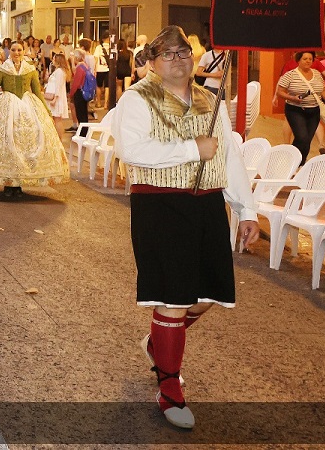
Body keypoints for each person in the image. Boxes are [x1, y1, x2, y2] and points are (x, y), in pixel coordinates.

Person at [109, 26, 260, 430]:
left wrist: (247, 210)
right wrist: (192, 148)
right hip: (159, 205)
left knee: (209, 295)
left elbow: (228, 156)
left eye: (184, 54)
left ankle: (159, 343)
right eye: (169, 54)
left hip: (208, 203)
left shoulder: (210, 100)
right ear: (153, 61)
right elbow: (131, 150)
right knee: (172, 297)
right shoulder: (137, 98)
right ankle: (169, 386)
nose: (179, 60)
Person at [0, 41, 70, 196]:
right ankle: (8, 183)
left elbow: (37, 92)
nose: (17, 53)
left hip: (27, 108)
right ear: (9, 51)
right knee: (7, 144)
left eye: (19, 50)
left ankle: (20, 182)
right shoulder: (1, 70)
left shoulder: (30, 70)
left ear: (24, 51)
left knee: (25, 145)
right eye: (14, 50)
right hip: (6, 108)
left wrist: (47, 114)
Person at [276, 50, 325, 164]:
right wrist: (292, 98)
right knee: (302, 137)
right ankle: (292, 160)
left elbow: (323, 90)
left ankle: (300, 162)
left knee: (307, 139)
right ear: (298, 60)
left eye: (310, 59)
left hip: (314, 110)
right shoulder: (290, 75)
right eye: (305, 59)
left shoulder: (317, 74)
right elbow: (280, 91)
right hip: (295, 110)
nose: (308, 61)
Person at [68, 49, 95, 134]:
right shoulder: (85, 65)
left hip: (79, 92)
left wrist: (71, 93)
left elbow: (76, 82)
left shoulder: (80, 67)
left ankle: (83, 132)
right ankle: (85, 131)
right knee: (84, 113)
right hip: (85, 91)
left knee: (80, 114)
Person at [45, 53, 72, 133]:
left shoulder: (60, 72)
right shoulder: (57, 71)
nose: (52, 60)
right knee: (55, 118)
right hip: (54, 96)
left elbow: (58, 86)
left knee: (57, 119)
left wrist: (55, 99)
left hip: (57, 98)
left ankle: (59, 139)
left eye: (54, 59)